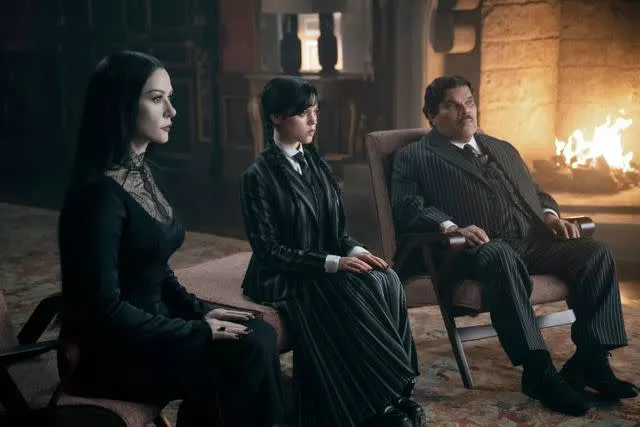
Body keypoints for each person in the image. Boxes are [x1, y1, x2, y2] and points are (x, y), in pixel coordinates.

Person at [58, 50, 285, 427]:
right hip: (114, 354)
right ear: (121, 106)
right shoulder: (98, 198)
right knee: (243, 354)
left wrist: (200, 311)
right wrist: (195, 330)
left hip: (153, 329)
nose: (172, 111)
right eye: (156, 98)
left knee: (256, 333)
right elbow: (105, 311)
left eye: (170, 98)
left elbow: (156, 265)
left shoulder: (145, 174)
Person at [391, 75, 638, 416]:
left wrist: (550, 216)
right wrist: (451, 227)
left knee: (595, 252)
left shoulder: (501, 148)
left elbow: (537, 194)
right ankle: (537, 371)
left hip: (530, 241)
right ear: (432, 115)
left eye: (469, 102)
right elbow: (407, 206)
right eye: (452, 105)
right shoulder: (415, 156)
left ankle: (591, 361)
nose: (465, 111)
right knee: (501, 255)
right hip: (470, 250)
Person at [239, 76, 425, 427]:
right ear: (276, 117)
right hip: (281, 274)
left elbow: (336, 231)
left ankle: (395, 390)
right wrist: (334, 263)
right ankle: (371, 406)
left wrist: (356, 250)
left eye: (315, 111)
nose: (313, 121)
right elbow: (268, 250)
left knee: (385, 278)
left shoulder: (315, 163)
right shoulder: (257, 176)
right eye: (303, 113)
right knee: (351, 292)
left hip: (323, 262)